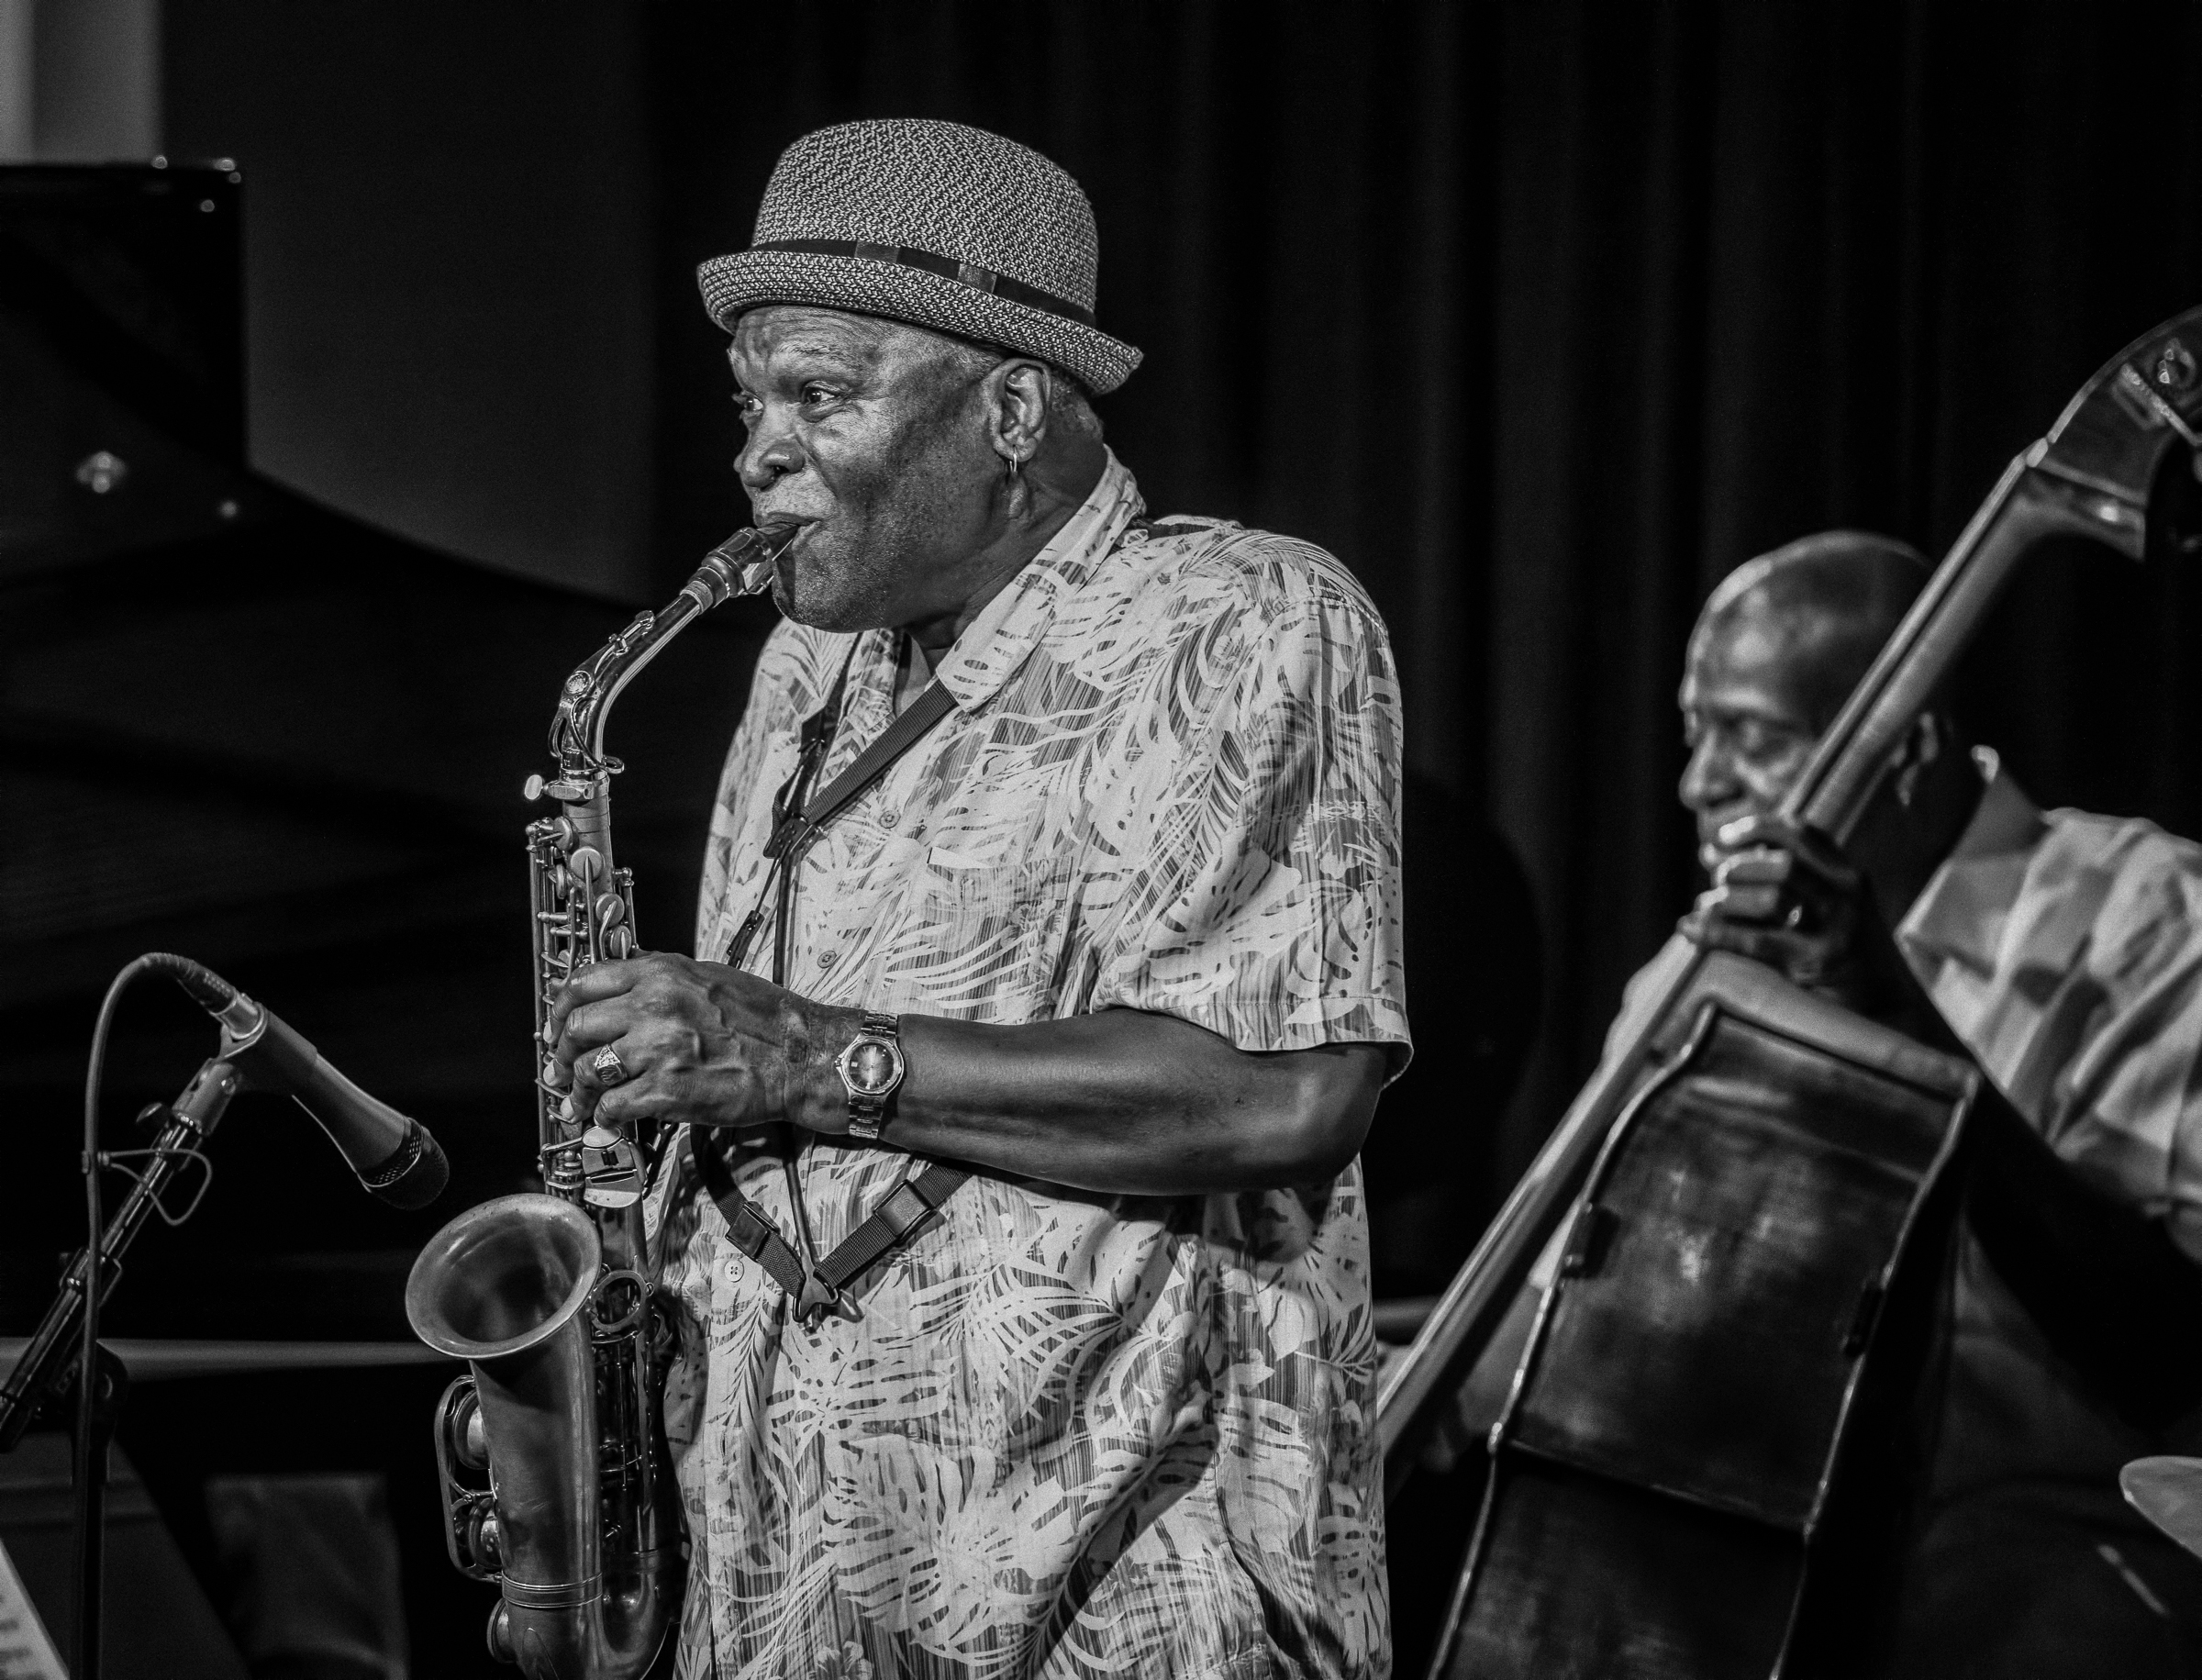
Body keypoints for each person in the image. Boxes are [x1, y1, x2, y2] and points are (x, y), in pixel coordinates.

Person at [542, 119, 1407, 1680]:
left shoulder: (1238, 616)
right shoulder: (805, 669)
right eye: (751, 403)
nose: (757, 454)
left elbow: (1287, 1092)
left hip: (1119, 1604)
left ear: (1010, 407)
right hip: (781, 1603)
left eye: (819, 395)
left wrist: (808, 1056)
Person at [1681, 529, 2202, 1676]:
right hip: (1773, 1526)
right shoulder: (1721, 959)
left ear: (1905, 750)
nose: (1699, 782)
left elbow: (2161, 1341)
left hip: (2055, 1545)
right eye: (1694, 731)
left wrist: (1892, 1006)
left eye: (1752, 737)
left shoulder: (2149, 918)